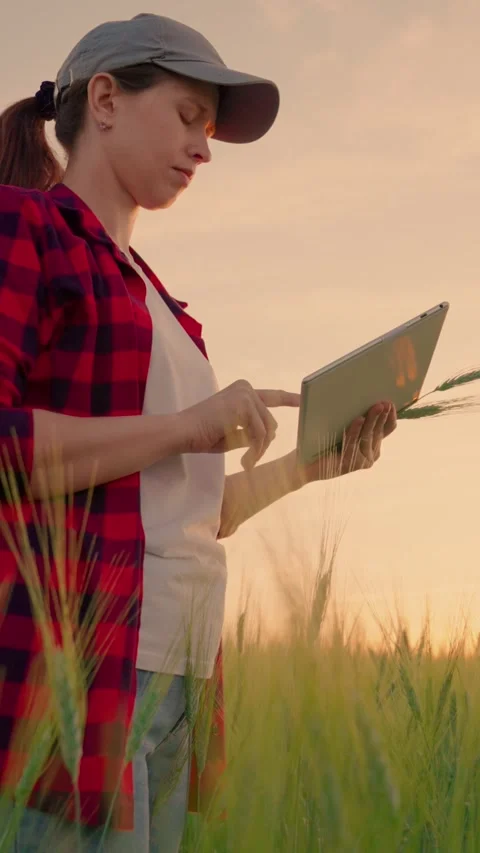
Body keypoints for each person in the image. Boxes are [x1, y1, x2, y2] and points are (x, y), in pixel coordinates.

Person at [0, 12, 397, 853]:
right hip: (81, 674)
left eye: (210, 130)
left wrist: (308, 466)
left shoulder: (172, 311)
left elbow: (187, 512)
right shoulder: (25, 231)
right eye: (189, 116)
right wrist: (188, 425)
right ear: (104, 99)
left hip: (184, 672)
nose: (204, 150)